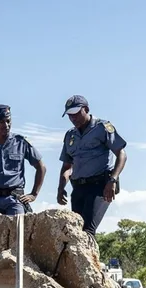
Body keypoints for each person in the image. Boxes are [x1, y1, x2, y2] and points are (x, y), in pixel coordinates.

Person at [56, 95, 127, 235]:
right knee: (75, 232)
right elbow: (66, 166)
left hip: (99, 186)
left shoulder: (102, 128)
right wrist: (60, 188)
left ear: (86, 109)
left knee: (87, 230)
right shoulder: (70, 135)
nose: (73, 118)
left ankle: (90, 257)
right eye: (70, 115)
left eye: (76, 114)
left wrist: (113, 180)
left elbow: (122, 154)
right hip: (78, 188)